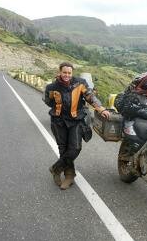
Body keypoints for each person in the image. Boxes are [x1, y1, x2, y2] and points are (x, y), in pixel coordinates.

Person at [43, 62, 110, 190]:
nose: (67, 75)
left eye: (69, 73)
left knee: (75, 148)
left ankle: (55, 169)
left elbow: (90, 97)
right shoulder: (52, 87)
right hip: (58, 121)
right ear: (60, 72)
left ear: (72, 73)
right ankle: (69, 176)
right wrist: (59, 108)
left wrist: (100, 108)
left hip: (76, 120)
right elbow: (48, 101)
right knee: (63, 149)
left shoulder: (80, 83)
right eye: (64, 72)